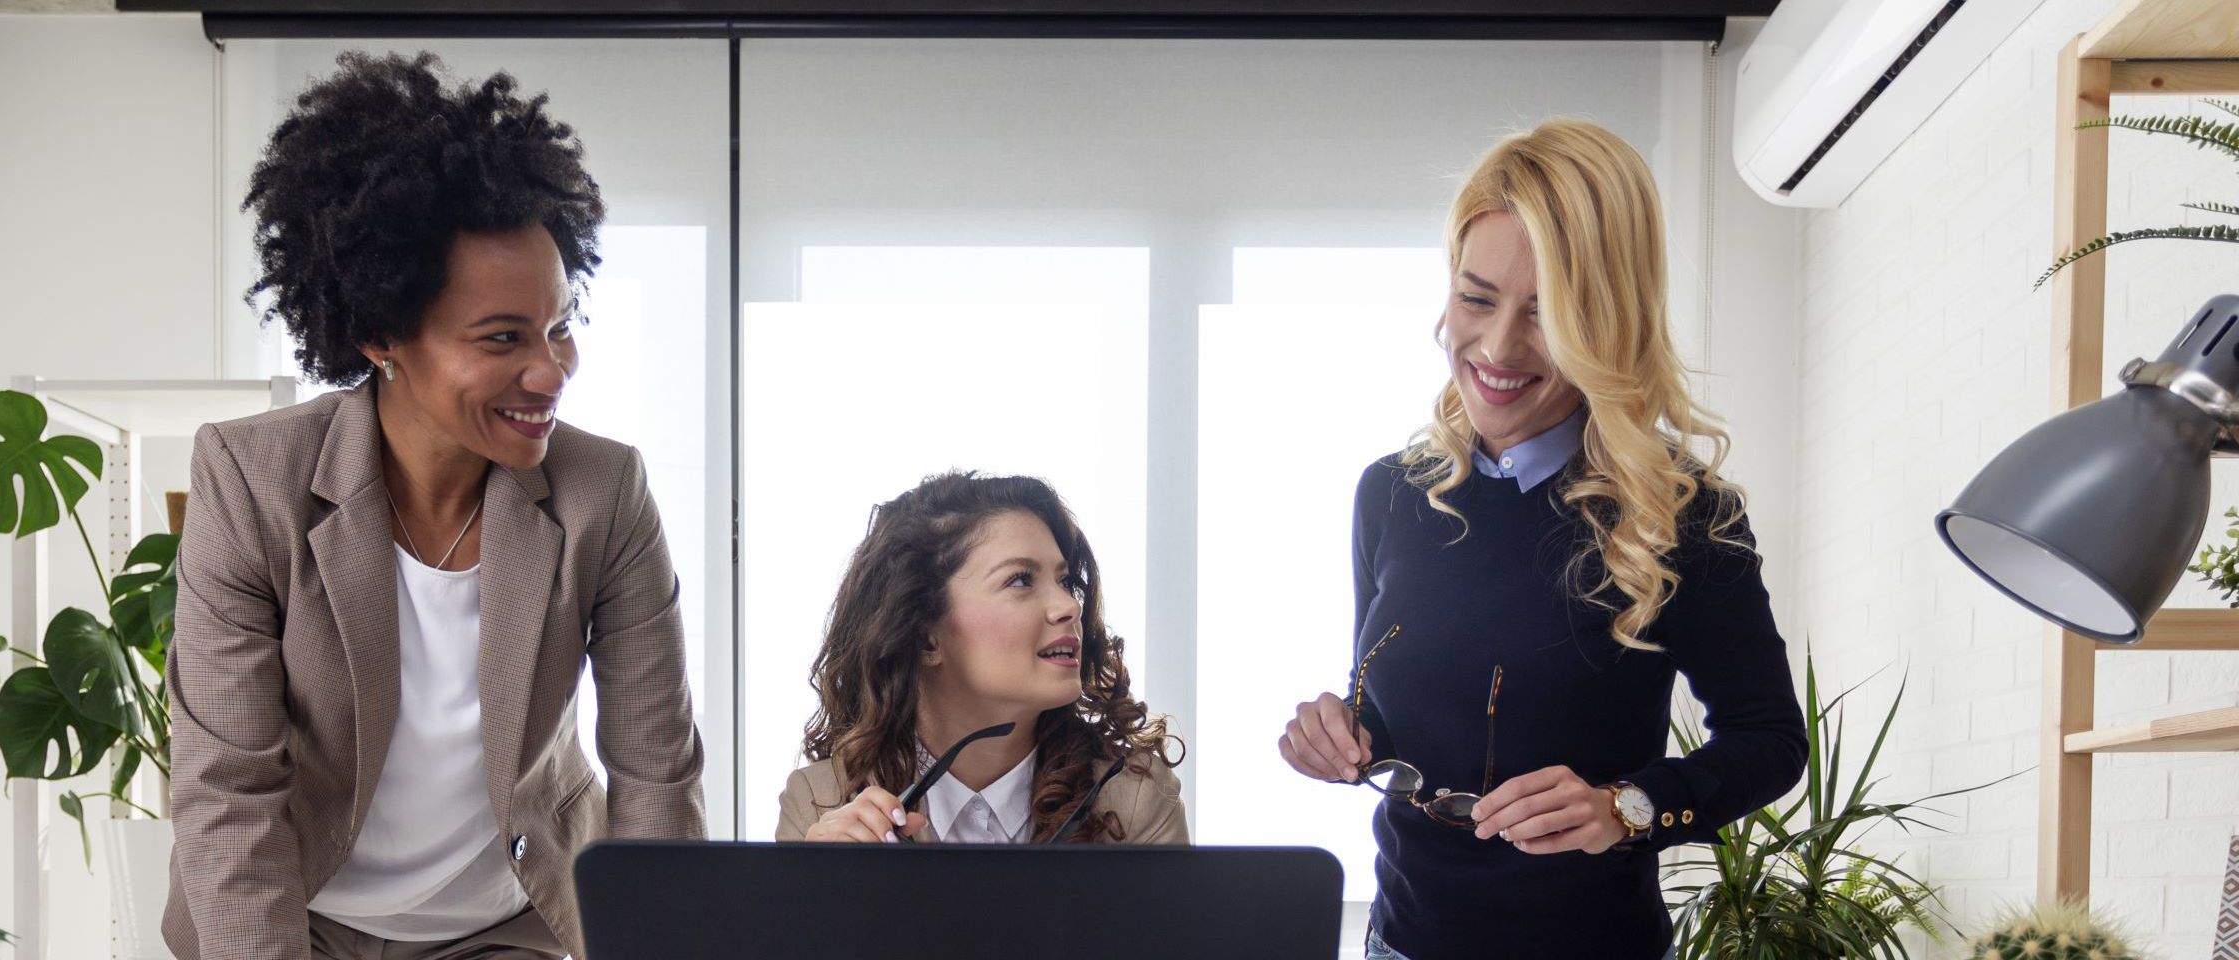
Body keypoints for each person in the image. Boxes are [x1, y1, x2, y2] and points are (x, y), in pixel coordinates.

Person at [163, 51, 703, 960]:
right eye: (502, 339)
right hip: (302, 918)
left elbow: (656, 774)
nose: (551, 371)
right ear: (382, 336)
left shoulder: (604, 492)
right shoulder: (253, 480)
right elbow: (228, 794)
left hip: (509, 925)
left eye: (560, 326)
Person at [1277, 118, 1809, 960]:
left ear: (1609, 323)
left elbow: (1770, 739)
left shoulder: (1683, 513)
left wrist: (1626, 807)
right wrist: (1342, 731)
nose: (1497, 347)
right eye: (1476, 298)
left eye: (1547, 314)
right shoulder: (1390, 493)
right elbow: (1387, 697)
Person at [779, 472, 1185, 845]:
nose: (1069, 606)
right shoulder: (820, 804)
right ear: (926, 639)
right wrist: (825, 883)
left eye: (1064, 581)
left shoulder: (1136, 800)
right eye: (1021, 580)